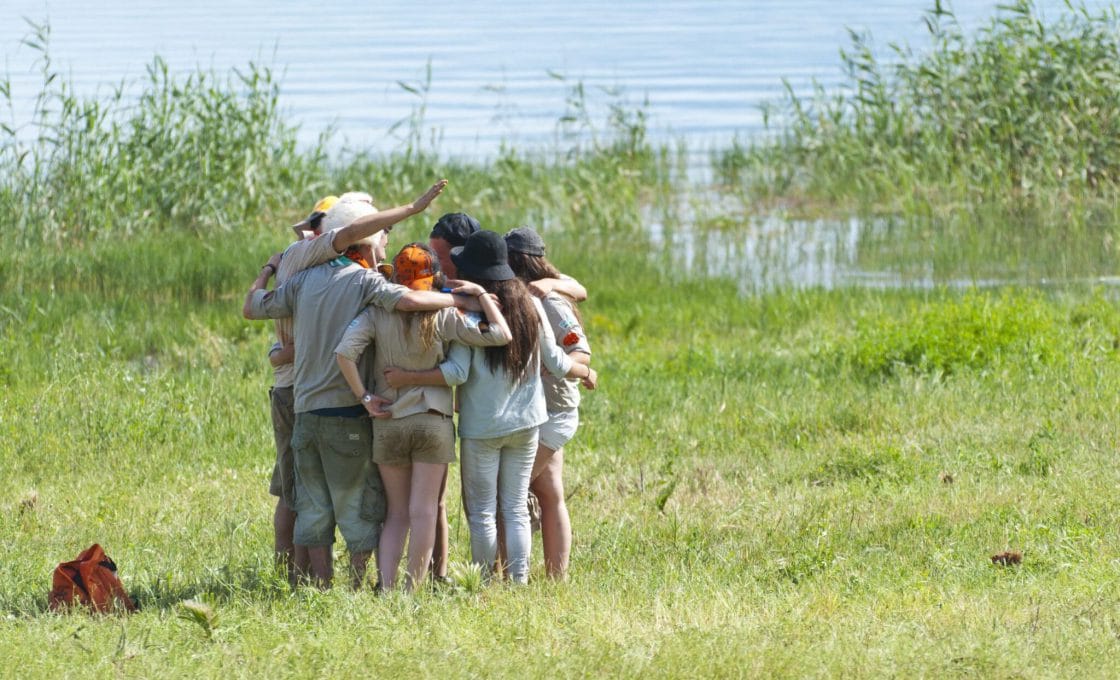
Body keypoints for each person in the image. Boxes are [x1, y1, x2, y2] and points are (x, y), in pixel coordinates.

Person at [243, 191, 479, 589]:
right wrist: (460, 298)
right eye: (381, 234)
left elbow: (253, 308)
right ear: (364, 240)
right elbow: (407, 300)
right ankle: (355, 586)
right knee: (359, 507)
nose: (385, 240)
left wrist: (268, 270)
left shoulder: (301, 280)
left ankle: (318, 586)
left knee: (313, 507)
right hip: (347, 411)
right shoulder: (365, 283)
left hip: (304, 411)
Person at [390, 230, 596, 584]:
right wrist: (586, 371)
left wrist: (408, 375)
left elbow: (457, 372)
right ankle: (519, 581)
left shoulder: (469, 314)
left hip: (483, 425)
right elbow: (558, 363)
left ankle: (483, 581)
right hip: (529, 422)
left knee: (483, 512)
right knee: (515, 507)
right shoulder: (530, 304)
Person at [335, 243, 511, 591]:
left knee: (396, 513)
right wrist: (481, 297)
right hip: (433, 420)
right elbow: (501, 334)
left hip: (388, 419)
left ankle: (386, 588)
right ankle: (412, 588)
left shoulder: (376, 312)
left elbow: (344, 352)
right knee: (425, 511)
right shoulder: (444, 316)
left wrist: (365, 396)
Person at [505, 226, 591, 579]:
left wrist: (565, 368)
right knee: (549, 489)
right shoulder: (526, 294)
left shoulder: (551, 301)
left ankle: (508, 574)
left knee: (511, 491)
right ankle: (558, 576)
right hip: (534, 411)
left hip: (553, 409)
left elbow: (581, 353)